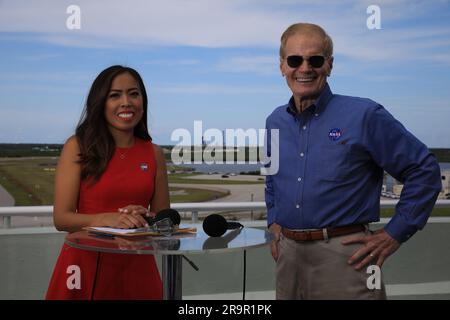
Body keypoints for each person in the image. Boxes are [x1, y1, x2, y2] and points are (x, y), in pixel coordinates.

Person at [264, 23, 442, 299]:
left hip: (346, 257)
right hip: (288, 257)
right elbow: (272, 177)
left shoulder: (364, 115)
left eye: (316, 59)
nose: (305, 68)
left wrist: (394, 233)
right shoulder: (275, 121)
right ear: (282, 66)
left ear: (330, 65)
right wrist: (273, 222)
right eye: (295, 60)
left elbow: (424, 171)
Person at [46, 65, 169, 299]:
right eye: (115, 95)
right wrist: (106, 219)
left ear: (143, 101)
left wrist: (146, 216)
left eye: (134, 93)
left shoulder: (154, 153)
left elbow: (164, 218)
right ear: (100, 102)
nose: (126, 102)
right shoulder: (77, 146)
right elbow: (61, 218)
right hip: (85, 264)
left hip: (139, 266)